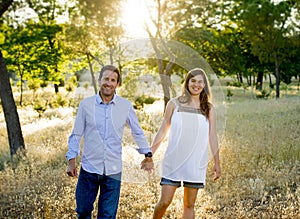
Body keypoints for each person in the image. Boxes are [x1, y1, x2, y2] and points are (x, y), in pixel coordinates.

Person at [66, 65, 154, 219]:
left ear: (117, 84)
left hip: (113, 171)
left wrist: (147, 154)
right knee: (83, 211)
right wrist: (71, 161)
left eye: (113, 80)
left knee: (107, 215)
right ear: (100, 80)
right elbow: (76, 134)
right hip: (89, 169)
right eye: (106, 79)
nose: (109, 83)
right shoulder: (86, 105)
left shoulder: (125, 106)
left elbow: (137, 131)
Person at [151, 68, 221, 219]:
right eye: (193, 81)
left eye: (200, 82)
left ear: (204, 85)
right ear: (187, 83)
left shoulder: (208, 108)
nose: (196, 85)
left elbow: (213, 136)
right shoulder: (174, 104)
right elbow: (162, 131)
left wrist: (217, 162)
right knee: (164, 202)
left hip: (195, 162)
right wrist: (150, 155)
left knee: (189, 205)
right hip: (173, 161)